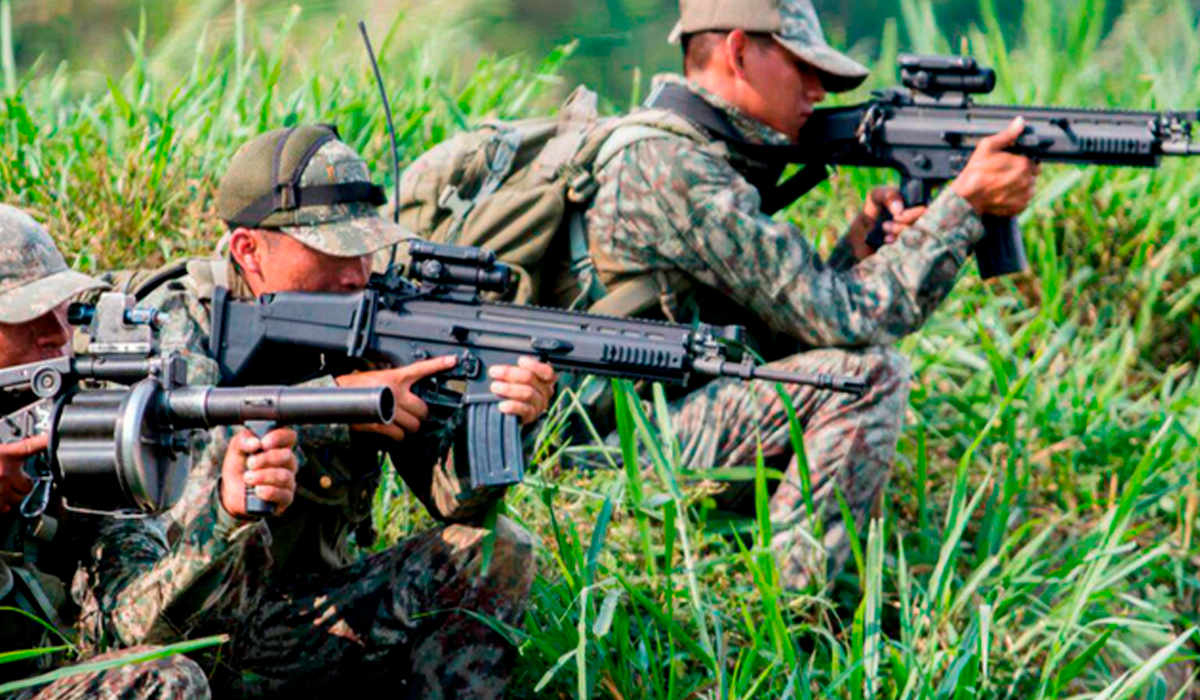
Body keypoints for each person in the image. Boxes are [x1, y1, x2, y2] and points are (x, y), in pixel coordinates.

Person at [547, 0, 1040, 589]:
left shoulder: (690, 149)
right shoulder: (672, 165)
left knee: (847, 369)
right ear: (736, 51)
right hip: (601, 455)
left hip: (644, 422)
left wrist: (855, 254)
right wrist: (964, 208)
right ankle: (794, 605)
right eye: (802, 68)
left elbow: (771, 325)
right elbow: (854, 321)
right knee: (865, 378)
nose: (817, 91)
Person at [74, 125, 557, 699]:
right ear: (248, 250)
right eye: (330, 250)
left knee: (495, 551)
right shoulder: (172, 329)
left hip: (301, 620)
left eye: (363, 247)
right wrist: (337, 403)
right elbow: (178, 513)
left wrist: (509, 413)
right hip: (178, 635)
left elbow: (454, 499)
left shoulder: (365, 316)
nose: (354, 272)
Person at [0, 203, 212, 699]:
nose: (56, 333)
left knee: (167, 680)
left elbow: (133, 625)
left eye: (62, 308)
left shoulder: (74, 423)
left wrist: (223, 522)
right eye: (24, 315)